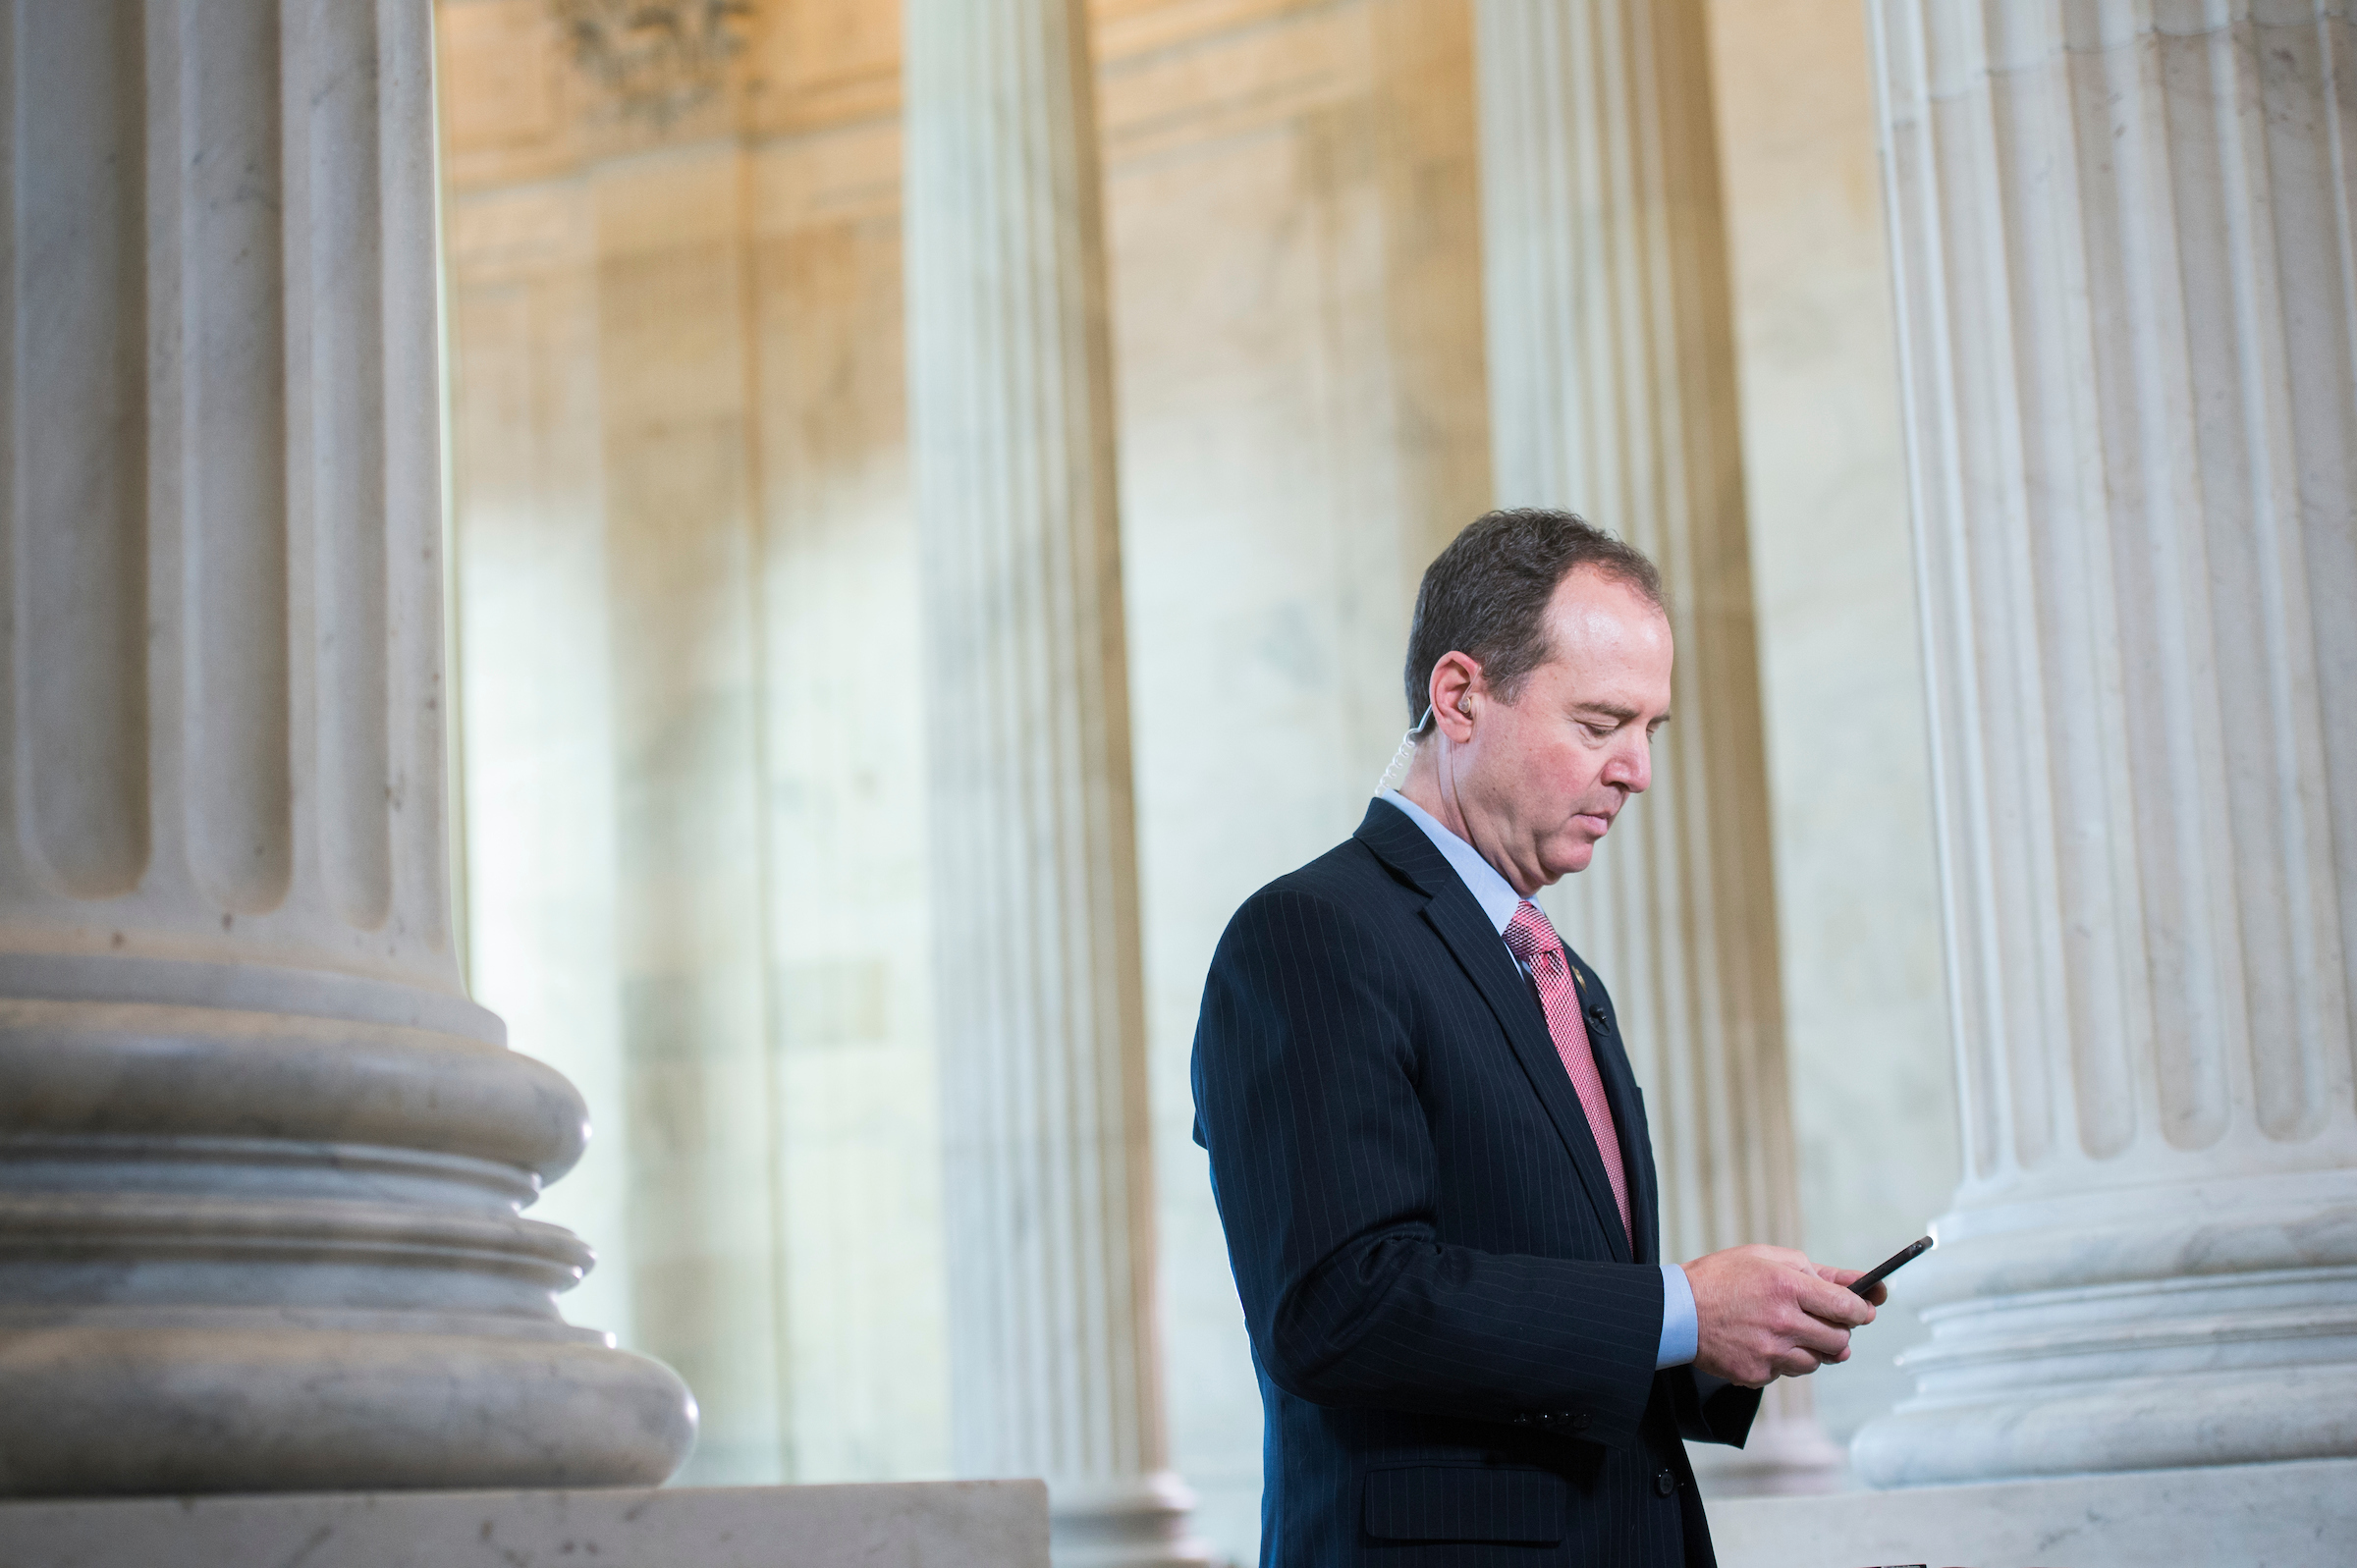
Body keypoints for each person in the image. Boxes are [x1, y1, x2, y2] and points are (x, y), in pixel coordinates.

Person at [1190, 510, 1885, 1567]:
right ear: (1461, 696)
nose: (1638, 771)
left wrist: (1716, 1347)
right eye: (1602, 723)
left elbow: (1540, 1321)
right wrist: (1680, 1305)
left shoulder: (1562, 973)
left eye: (1651, 729)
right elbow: (1338, 1304)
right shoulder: (1309, 933)